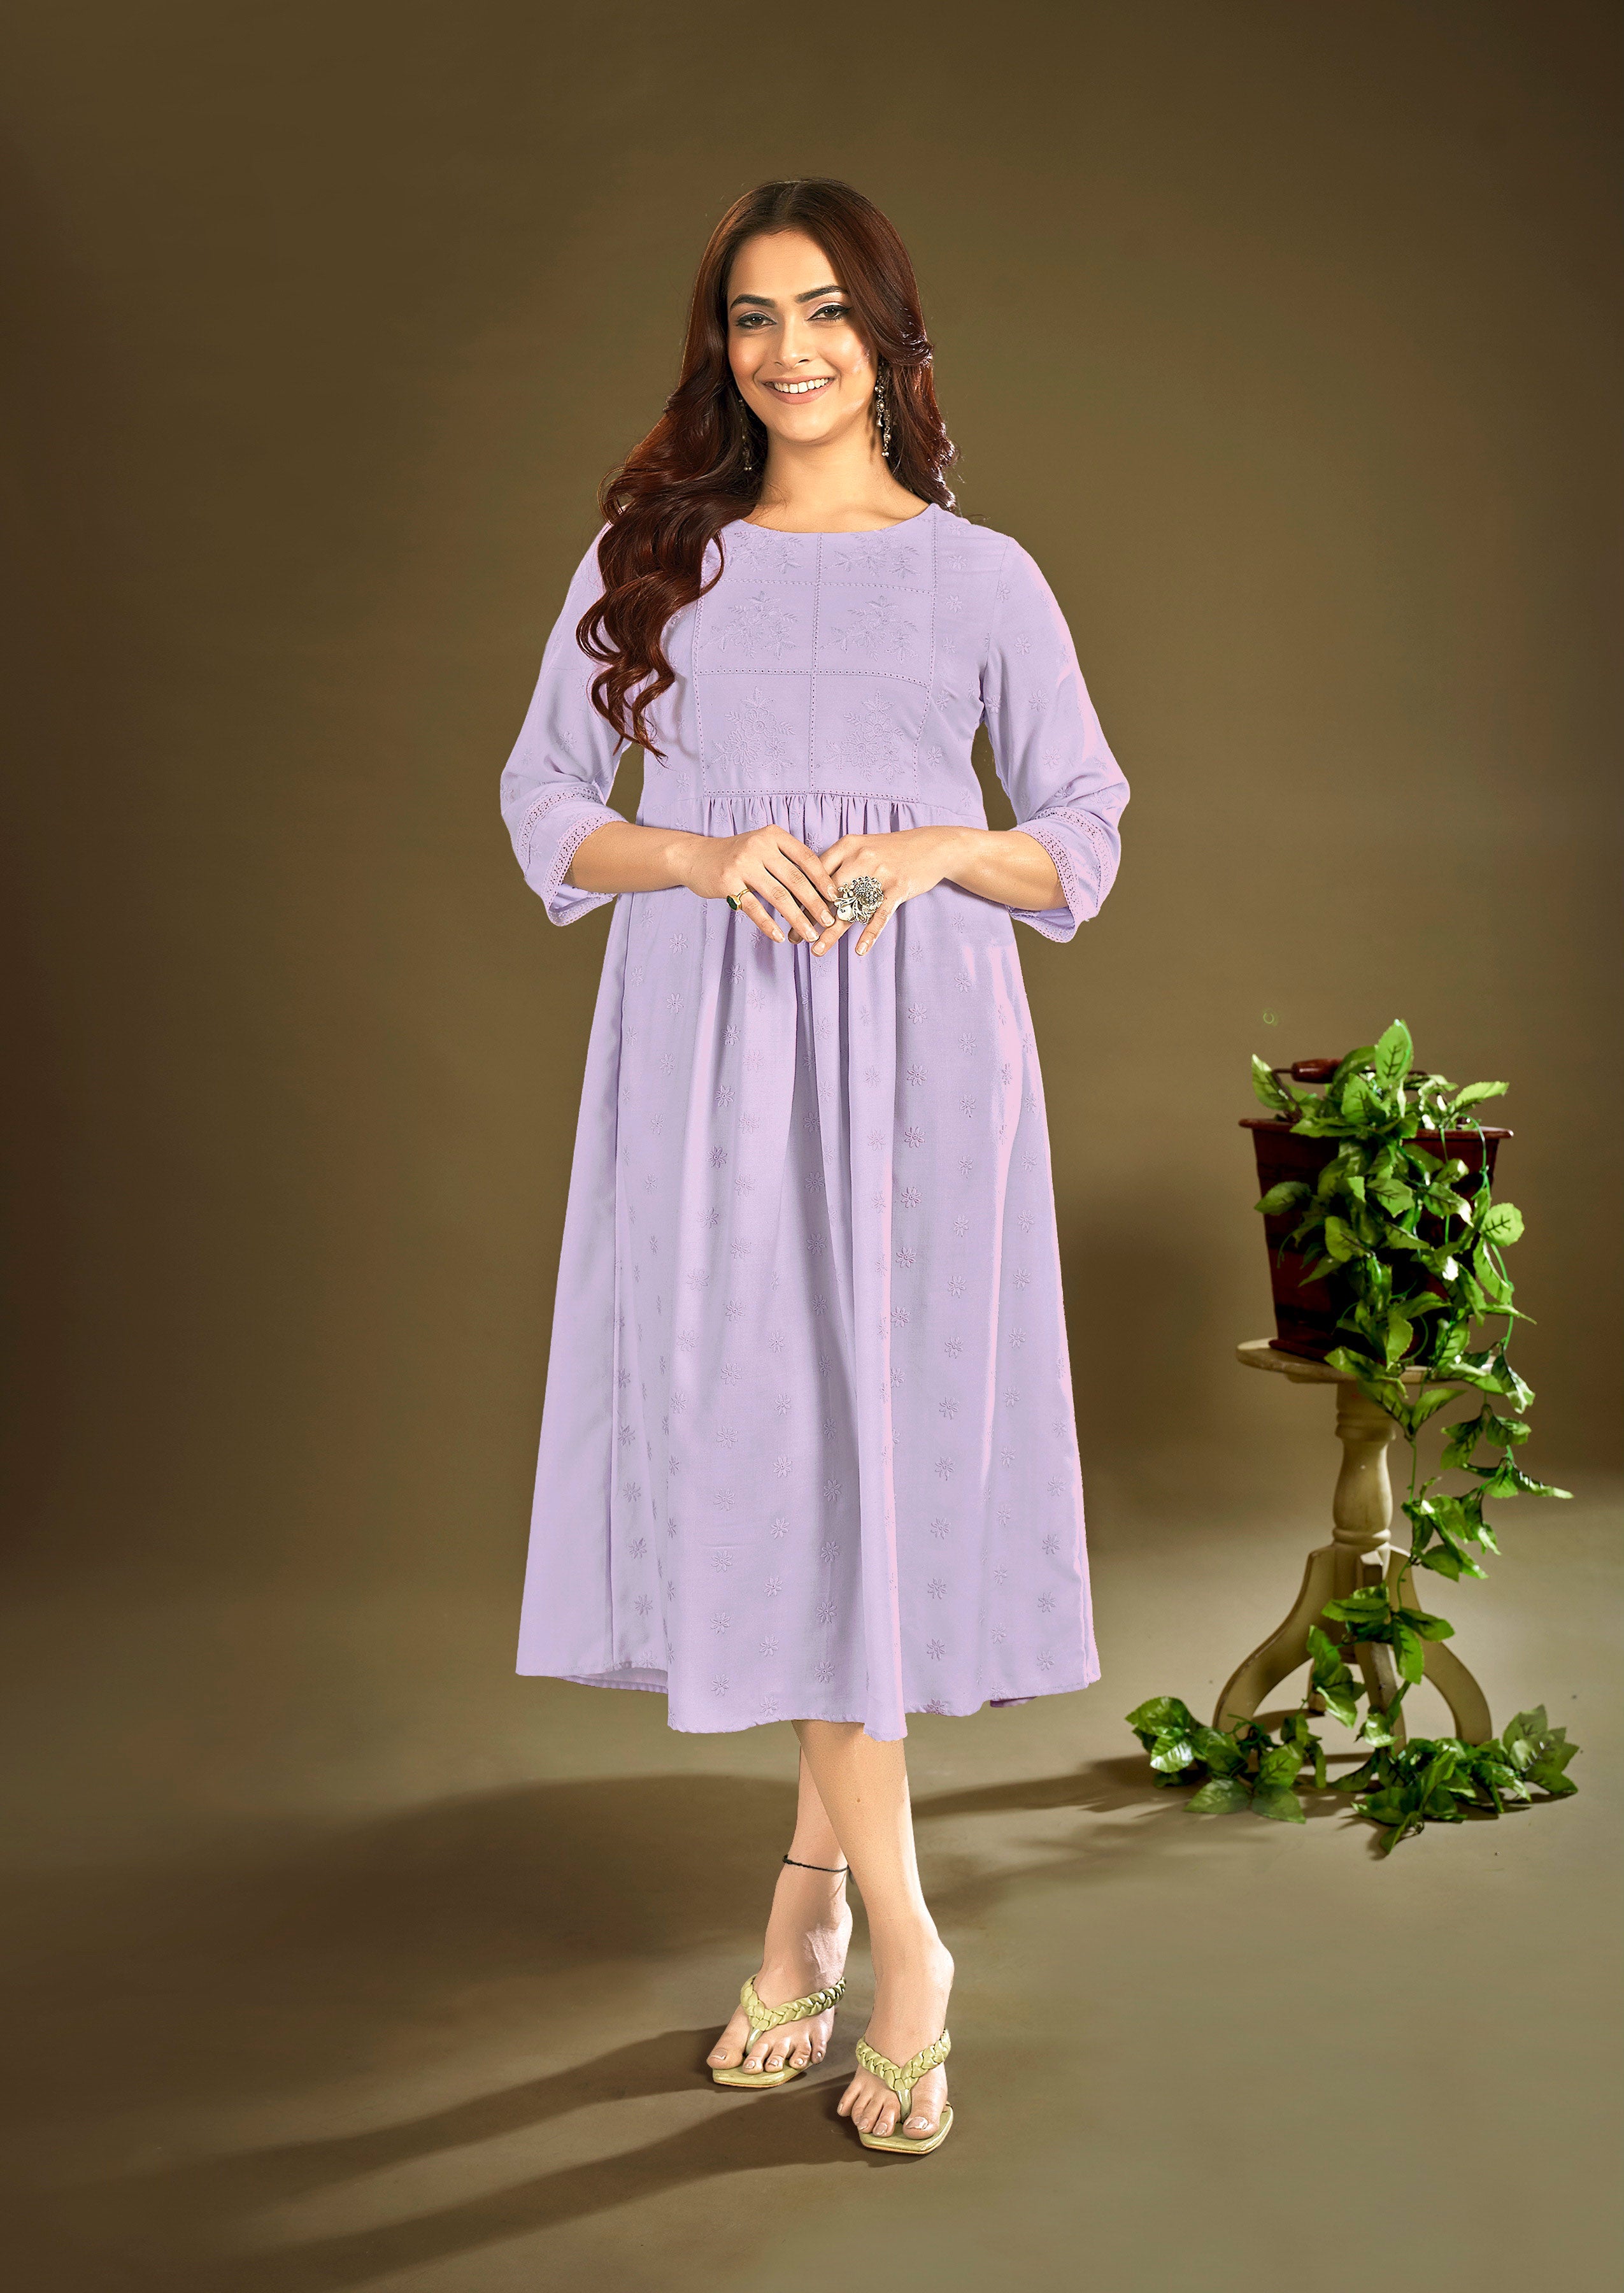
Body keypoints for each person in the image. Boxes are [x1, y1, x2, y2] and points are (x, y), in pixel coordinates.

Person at [499, 176, 1129, 2157]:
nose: (791, 349)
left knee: (874, 1478)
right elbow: (542, 802)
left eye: (828, 310)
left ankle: (817, 1912)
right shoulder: (656, 559)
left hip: (928, 1068)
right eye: (755, 316)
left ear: (892, 338)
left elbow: (1085, 833)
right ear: (722, 348)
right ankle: (903, 1941)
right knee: (776, 1466)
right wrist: (699, 854)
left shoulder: (983, 579)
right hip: (711, 1061)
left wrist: (943, 846)